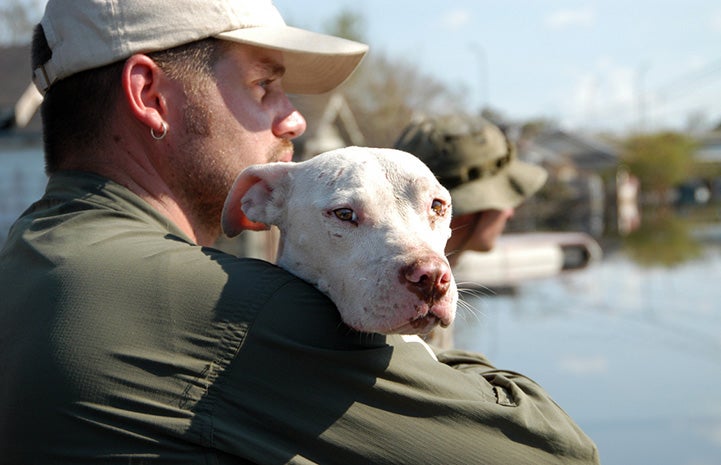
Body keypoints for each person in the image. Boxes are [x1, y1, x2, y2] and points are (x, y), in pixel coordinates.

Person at [0, 1, 599, 463]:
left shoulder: (28, 255)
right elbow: (552, 449)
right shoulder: (224, 306)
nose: (295, 117)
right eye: (264, 86)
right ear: (150, 95)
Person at [394, 114, 548, 268]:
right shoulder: (418, 287)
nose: (509, 213)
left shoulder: (386, 280)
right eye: (505, 199)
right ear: (467, 212)